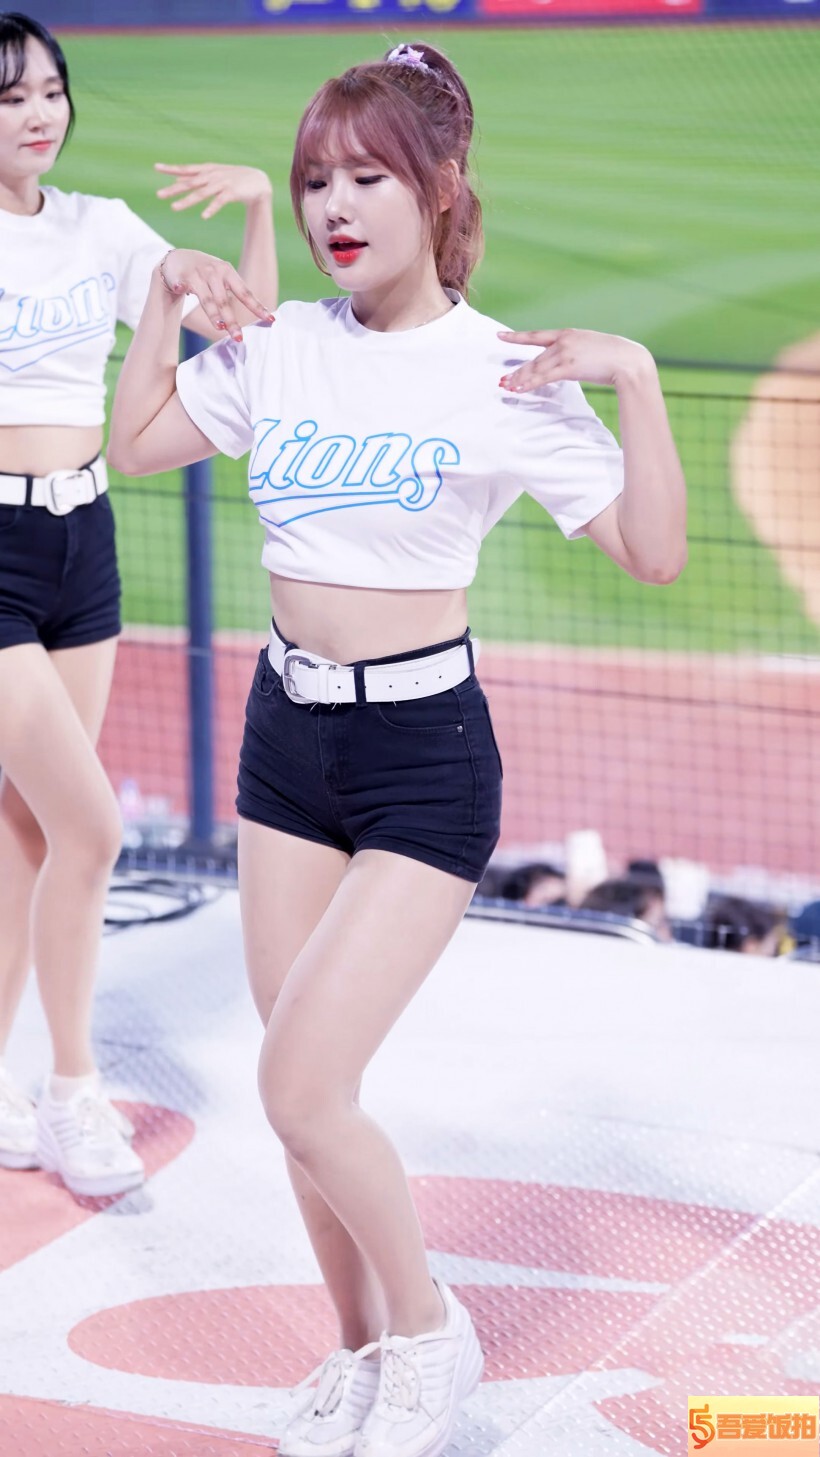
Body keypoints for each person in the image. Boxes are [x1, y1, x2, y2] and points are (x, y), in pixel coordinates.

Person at [108, 39, 686, 1457]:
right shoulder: (285, 345)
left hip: (423, 757)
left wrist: (637, 376)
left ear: (438, 190)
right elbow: (137, 444)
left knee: (299, 1084)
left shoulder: (503, 375)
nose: (333, 207)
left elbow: (654, 551)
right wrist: (164, 296)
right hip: (285, 742)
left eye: (367, 177)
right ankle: (360, 1350)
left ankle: (429, 1332)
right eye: (315, 181)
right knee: (308, 1103)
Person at [0, 11, 278, 1198]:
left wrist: (258, 207)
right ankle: (74, 1088)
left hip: (84, 540)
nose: (40, 113)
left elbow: (243, 326)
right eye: (11, 97)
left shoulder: (99, 226)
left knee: (28, 832)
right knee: (94, 829)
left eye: (51, 90)